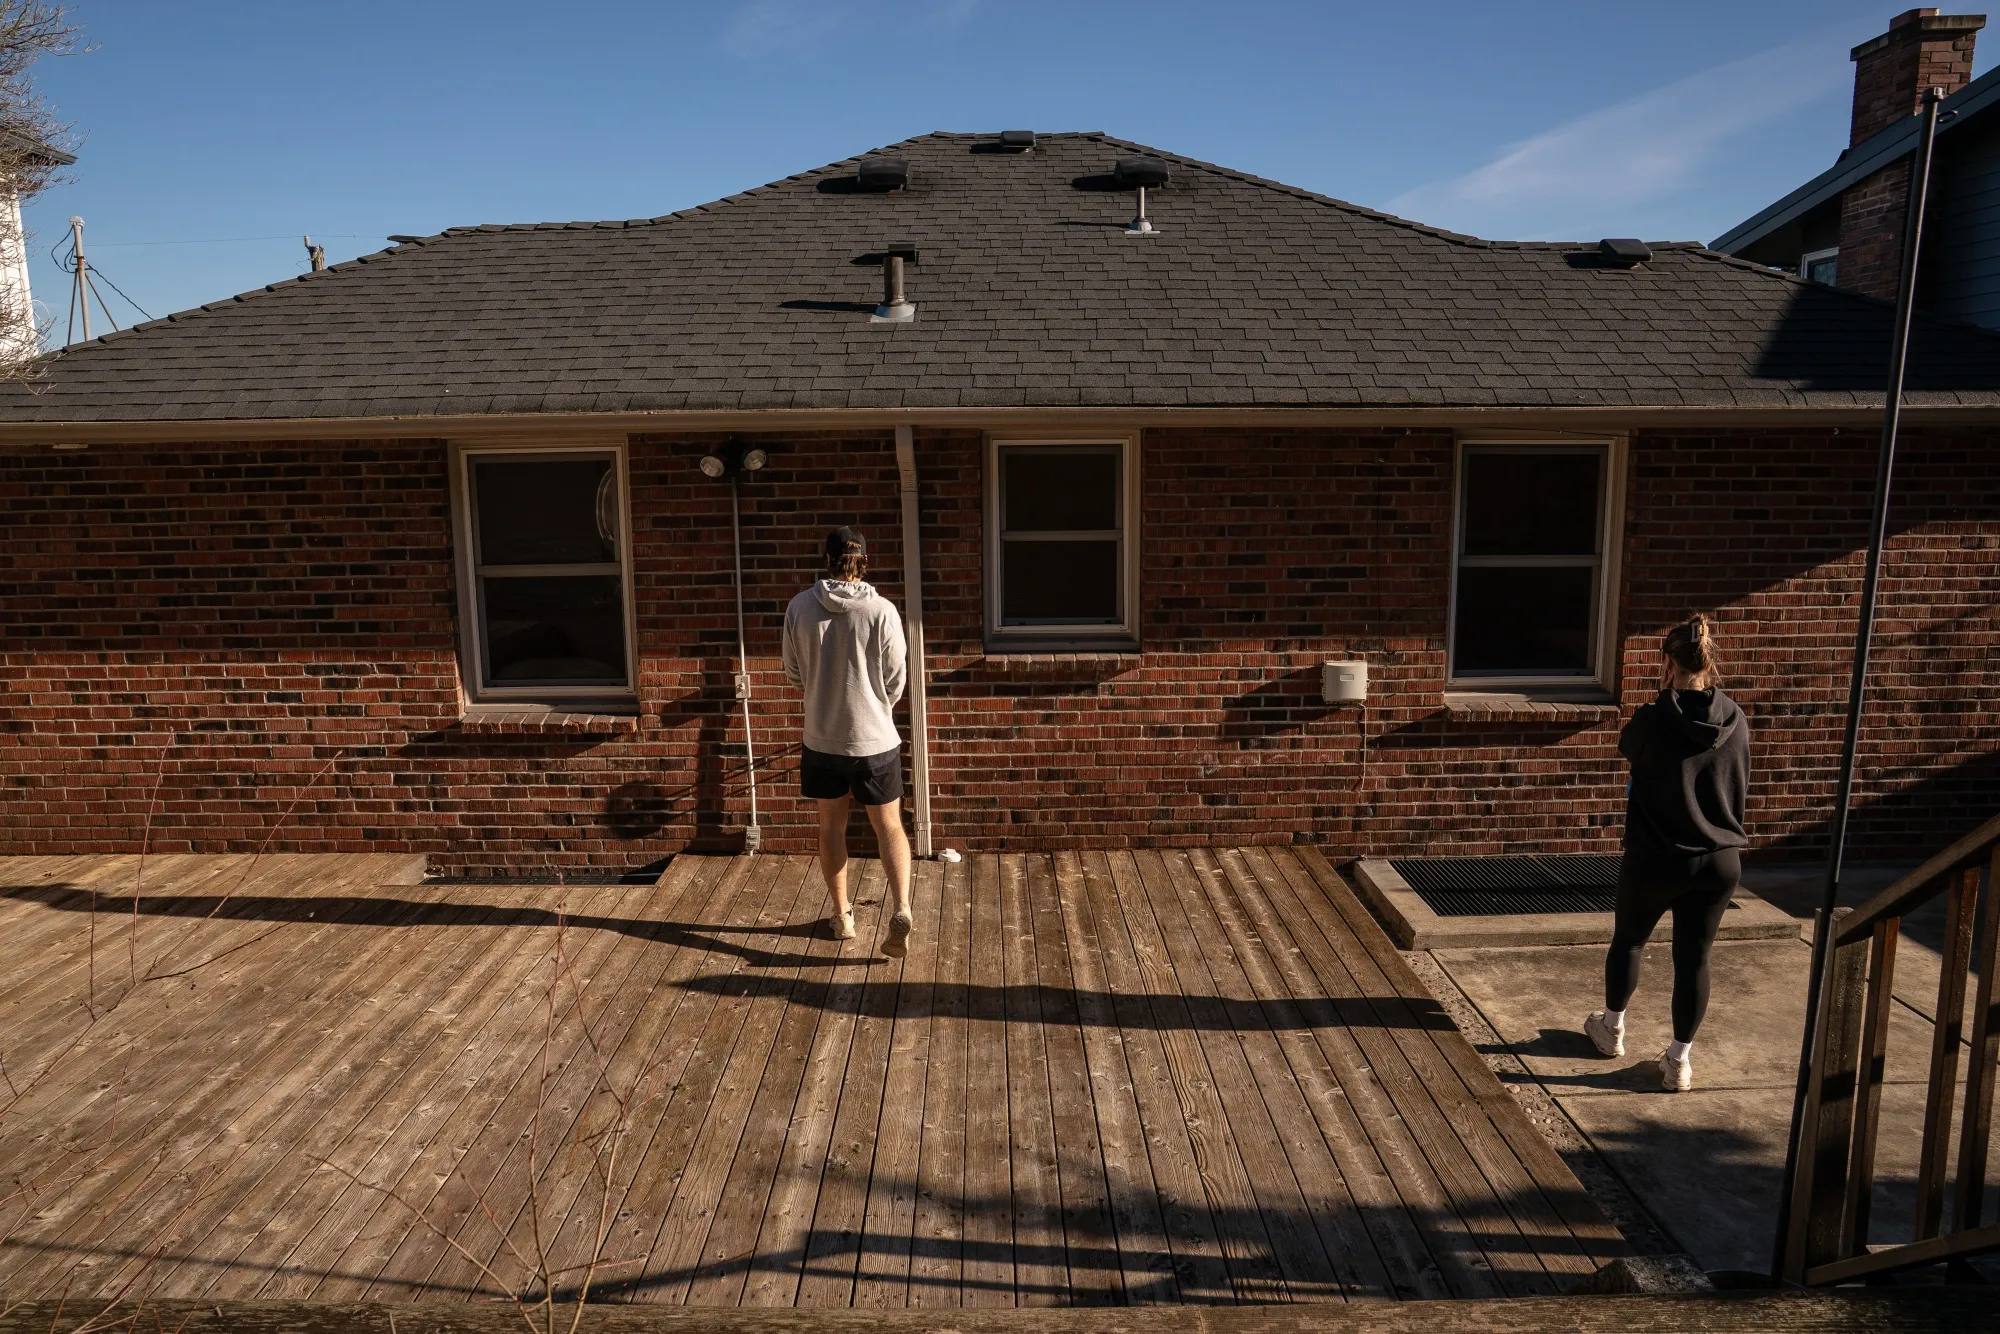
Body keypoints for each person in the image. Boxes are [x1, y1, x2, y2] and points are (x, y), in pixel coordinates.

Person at [1585, 613, 1750, 1092]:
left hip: (1656, 855)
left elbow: (1629, 751)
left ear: (1667, 663)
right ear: (1710, 662)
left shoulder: (1652, 719)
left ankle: (1611, 1029)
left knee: (1630, 941)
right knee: (1694, 959)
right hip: (1719, 858)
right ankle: (1678, 1062)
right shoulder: (1735, 719)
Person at [781, 526, 914, 956]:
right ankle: (903, 907)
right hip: (875, 739)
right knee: (889, 826)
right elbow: (896, 680)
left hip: (822, 740)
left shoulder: (800, 607)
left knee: (831, 827)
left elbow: (793, 672)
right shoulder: (883, 611)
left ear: (826, 559)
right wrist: (874, 707)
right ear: (864, 562)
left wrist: (822, 695)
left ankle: (842, 918)